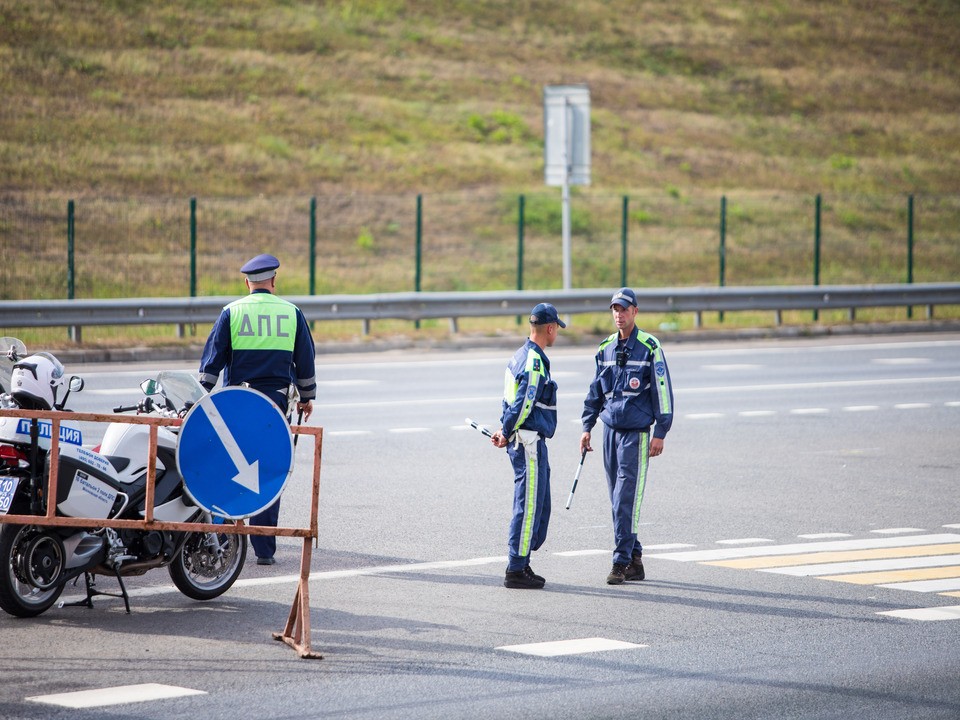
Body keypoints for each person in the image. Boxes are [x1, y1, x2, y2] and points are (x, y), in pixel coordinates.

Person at [198, 253, 317, 565]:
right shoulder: (291, 313)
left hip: (236, 405)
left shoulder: (231, 312)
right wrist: (307, 397)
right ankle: (264, 550)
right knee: (267, 472)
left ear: (246, 282)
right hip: (274, 407)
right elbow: (305, 362)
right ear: (274, 281)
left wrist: (200, 397)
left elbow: (211, 364)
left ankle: (221, 543)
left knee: (228, 469)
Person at [580, 287, 674, 585]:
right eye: (615, 310)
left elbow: (662, 391)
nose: (619, 315)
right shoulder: (605, 347)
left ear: (635, 311)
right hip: (610, 431)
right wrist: (586, 426)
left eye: (624, 309)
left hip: (636, 433)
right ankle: (635, 558)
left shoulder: (649, 346)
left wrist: (660, 432)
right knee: (616, 499)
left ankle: (619, 563)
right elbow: (595, 391)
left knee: (626, 500)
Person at [490, 303, 564, 589]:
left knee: (537, 503)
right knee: (529, 505)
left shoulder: (519, 356)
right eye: (556, 327)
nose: (556, 331)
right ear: (550, 328)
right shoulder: (533, 360)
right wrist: (508, 430)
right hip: (528, 441)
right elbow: (523, 403)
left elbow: (510, 401)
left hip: (523, 439)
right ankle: (516, 568)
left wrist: (503, 429)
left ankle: (522, 561)